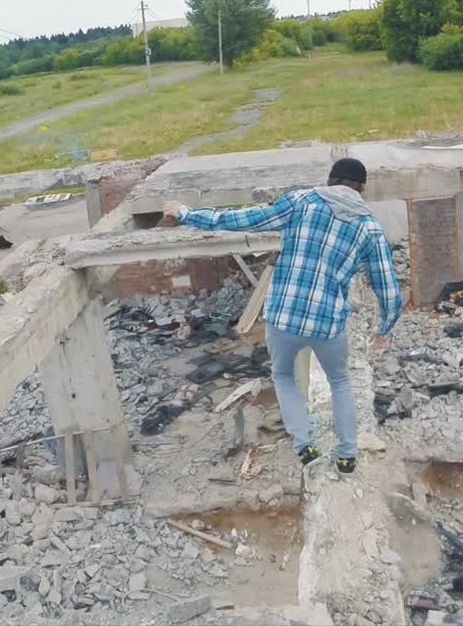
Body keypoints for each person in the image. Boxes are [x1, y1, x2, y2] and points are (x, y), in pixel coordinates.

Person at [162, 157, 402, 474]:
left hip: (284, 318)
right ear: (361, 189)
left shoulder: (301, 201)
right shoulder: (370, 228)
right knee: (340, 382)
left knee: (284, 377)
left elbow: (242, 219)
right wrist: (384, 328)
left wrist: (186, 214)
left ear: (330, 181)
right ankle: (346, 456)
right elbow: (389, 289)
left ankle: (305, 446)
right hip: (328, 324)